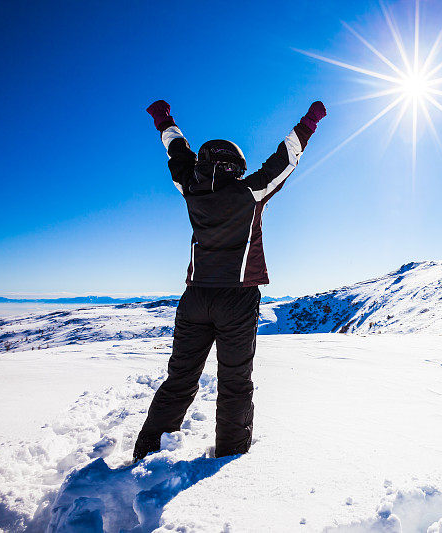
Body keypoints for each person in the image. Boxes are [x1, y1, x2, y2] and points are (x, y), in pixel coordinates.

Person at [134, 99, 326, 461]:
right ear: (237, 166)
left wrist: (163, 119)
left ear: (204, 163)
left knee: (180, 379)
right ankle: (230, 457)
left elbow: (177, 150)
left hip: (195, 299)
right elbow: (284, 159)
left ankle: (147, 452)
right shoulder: (249, 192)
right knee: (235, 382)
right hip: (237, 299)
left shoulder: (190, 188)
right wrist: (309, 122)